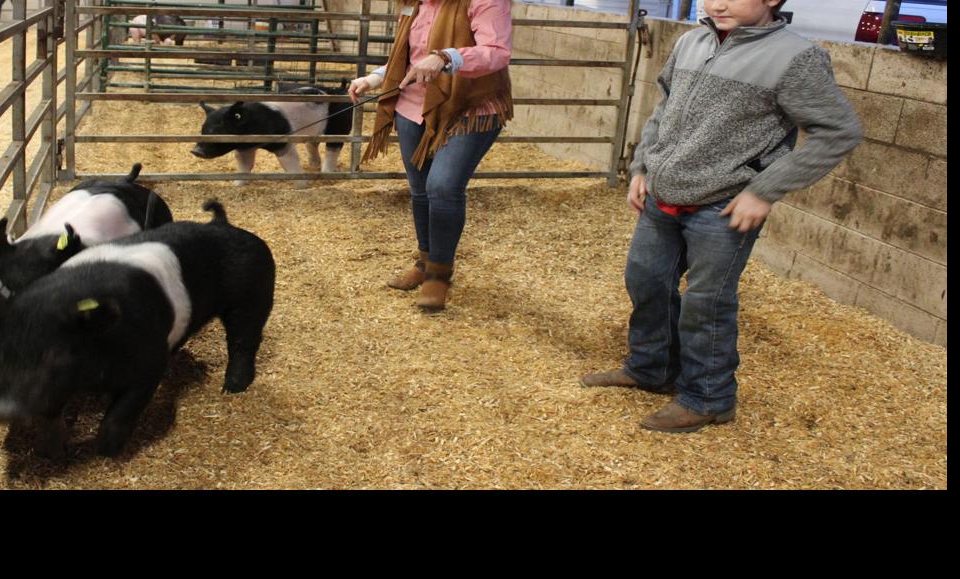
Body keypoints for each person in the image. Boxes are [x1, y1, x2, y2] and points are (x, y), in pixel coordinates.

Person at [581, 0, 861, 433]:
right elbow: (664, 110)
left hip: (724, 202)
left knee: (706, 302)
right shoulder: (692, 41)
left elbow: (838, 131)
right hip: (663, 194)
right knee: (645, 279)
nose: (716, 2)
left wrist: (763, 190)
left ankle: (708, 397)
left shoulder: (795, 57)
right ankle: (651, 367)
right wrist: (642, 165)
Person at [348, 0, 513, 312]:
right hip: (411, 108)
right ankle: (424, 260)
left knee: (443, 187)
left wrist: (447, 58)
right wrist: (374, 78)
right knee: (421, 189)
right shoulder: (416, 3)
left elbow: (497, 50)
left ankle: (439, 273)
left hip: (469, 107)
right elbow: (409, 56)